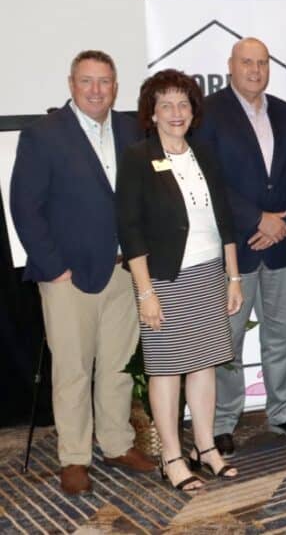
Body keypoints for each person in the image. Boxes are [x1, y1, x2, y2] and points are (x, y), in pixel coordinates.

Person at [10, 50, 153, 494]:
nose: (96, 90)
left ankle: (116, 444)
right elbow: (25, 208)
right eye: (87, 81)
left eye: (105, 81)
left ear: (116, 87)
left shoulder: (131, 130)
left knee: (117, 367)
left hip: (123, 272)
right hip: (68, 278)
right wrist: (55, 269)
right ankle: (74, 458)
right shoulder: (43, 135)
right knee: (73, 371)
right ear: (71, 84)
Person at [116, 69, 243, 491]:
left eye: (183, 104)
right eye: (166, 105)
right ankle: (171, 456)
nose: (176, 112)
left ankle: (205, 448)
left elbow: (224, 219)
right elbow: (130, 230)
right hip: (165, 279)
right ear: (152, 114)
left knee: (204, 363)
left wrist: (233, 276)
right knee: (167, 370)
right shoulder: (138, 157)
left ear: (193, 110)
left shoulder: (203, 153)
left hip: (208, 273)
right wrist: (145, 292)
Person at [197, 37, 286, 457]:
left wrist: (285, 223)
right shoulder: (208, 112)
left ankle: (281, 412)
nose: (255, 70)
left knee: (281, 335)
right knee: (226, 339)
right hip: (235, 248)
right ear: (231, 65)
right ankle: (224, 420)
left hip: (281, 245)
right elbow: (208, 178)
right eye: (247, 62)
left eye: (262, 63)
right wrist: (256, 220)